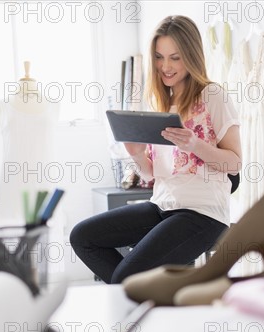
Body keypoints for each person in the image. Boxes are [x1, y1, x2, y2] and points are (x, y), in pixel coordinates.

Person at [70, 15, 242, 284]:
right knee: (83, 237)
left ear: (191, 56)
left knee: (125, 277)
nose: (165, 66)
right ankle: (149, 293)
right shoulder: (160, 102)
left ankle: (138, 292)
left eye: (175, 57)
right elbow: (151, 174)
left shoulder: (213, 96)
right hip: (162, 206)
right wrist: (136, 153)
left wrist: (194, 145)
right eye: (159, 57)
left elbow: (234, 163)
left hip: (203, 213)